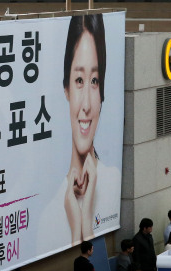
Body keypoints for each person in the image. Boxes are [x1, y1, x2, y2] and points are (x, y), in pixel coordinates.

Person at [62, 14, 109, 245]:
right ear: (66, 89)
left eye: (95, 81)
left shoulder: (112, 181)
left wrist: (86, 219)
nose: (88, 106)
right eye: (79, 80)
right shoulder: (53, 203)